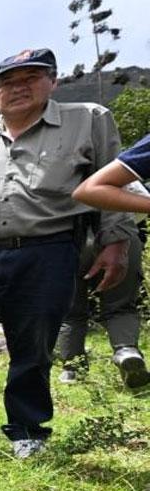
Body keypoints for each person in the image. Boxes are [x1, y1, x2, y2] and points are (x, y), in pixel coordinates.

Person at [0, 48, 136, 459]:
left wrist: (116, 241)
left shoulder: (88, 119)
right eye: (7, 82)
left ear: (53, 81)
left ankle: (27, 432)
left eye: (31, 78)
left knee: (32, 349)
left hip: (45, 250)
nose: (18, 88)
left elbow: (114, 183)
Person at [66, 133, 150, 388]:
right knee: (122, 304)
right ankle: (126, 351)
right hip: (124, 236)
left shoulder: (57, 173)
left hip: (72, 241)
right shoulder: (122, 169)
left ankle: (72, 368)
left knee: (71, 312)